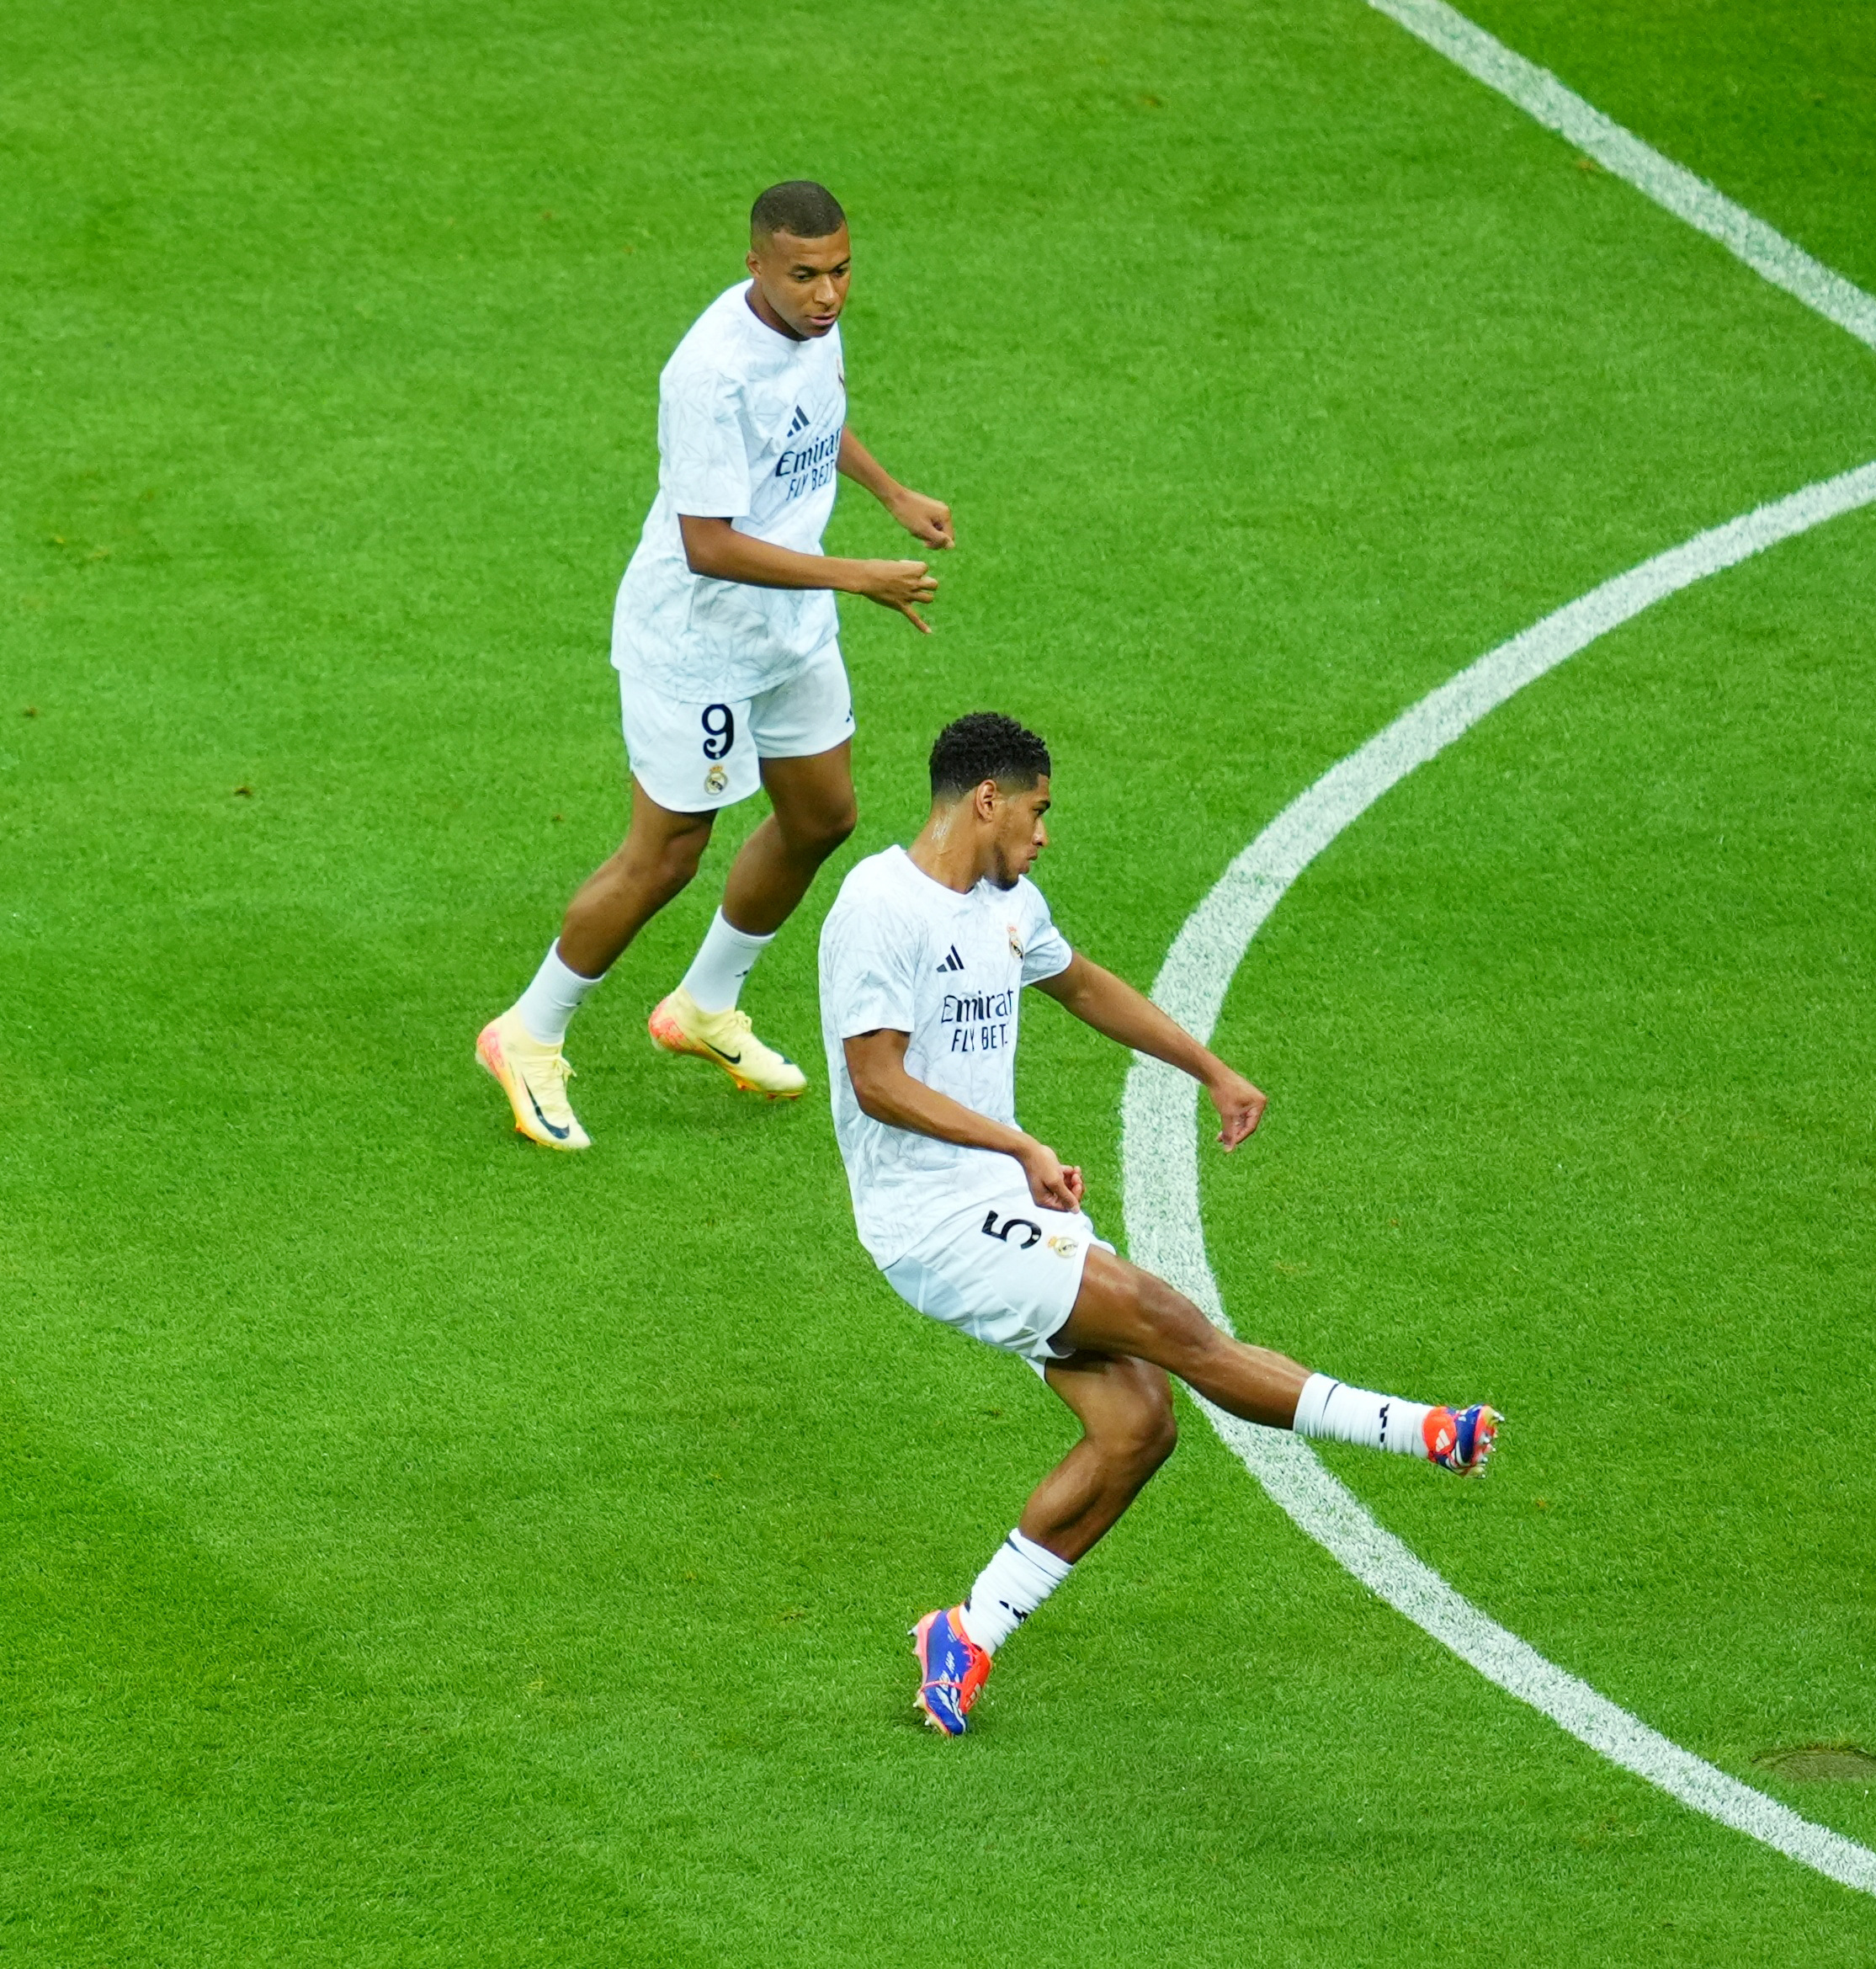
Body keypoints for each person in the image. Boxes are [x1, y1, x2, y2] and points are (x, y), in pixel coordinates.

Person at [819, 712, 1501, 1736]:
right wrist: (1018, 1144)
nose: (1044, 834)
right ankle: (1423, 1431)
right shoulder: (879, 905)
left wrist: (1208, 1068)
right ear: (987, 800)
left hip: (1001, 1203)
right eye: (1037, 811)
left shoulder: (1008, 906)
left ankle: (966, 1631)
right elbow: (876, 1080)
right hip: (931, 1222)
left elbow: (1082, 983)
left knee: (1138, 1426)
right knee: (1171, 1322)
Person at [477, 179, 952, 1150]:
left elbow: (814, 418)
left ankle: (703, 1003)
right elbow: (708, 543)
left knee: (821, 815)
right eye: (804, 275)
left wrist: (890, 491)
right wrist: (857, 575)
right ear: (755, 265)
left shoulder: (812, 330)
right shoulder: (708, 373)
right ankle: (527, 1032)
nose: (827, 294)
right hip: (696, 644)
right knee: (667, 854)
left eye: (841, 271)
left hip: (788, 628)